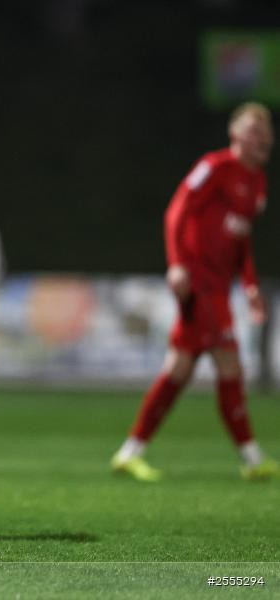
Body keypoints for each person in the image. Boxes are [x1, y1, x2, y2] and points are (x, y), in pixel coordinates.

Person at [111, 102, 277, 482]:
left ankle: (129, 452)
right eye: (254, 129)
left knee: (180, 369)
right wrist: (177, 263)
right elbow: (176, 211)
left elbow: (242, 243)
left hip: (218, 286)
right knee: (229, 364)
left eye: (265, 130)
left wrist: (250, 286)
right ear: (235, 135)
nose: (262, 136)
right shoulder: (215, 167)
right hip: (200, 283)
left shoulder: (258, 183)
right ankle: (252, 459)